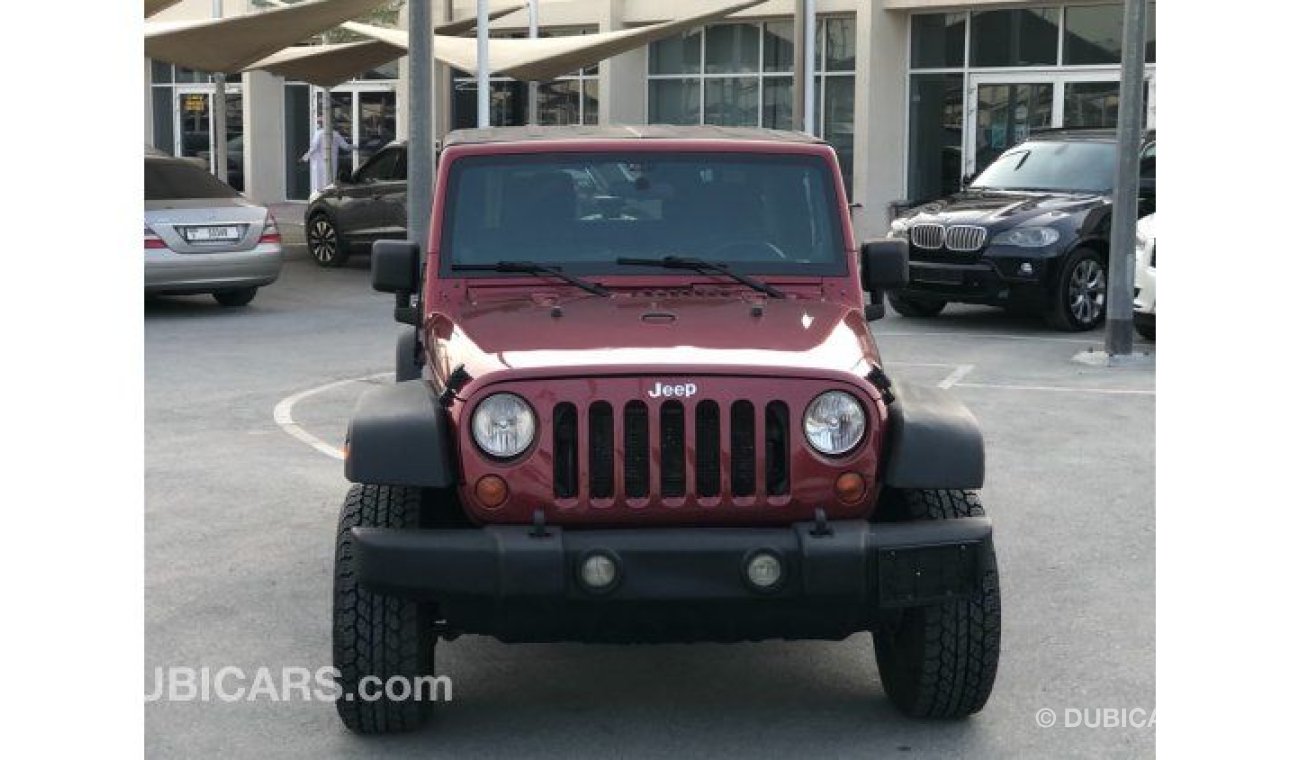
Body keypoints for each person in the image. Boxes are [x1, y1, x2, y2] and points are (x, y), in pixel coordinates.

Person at [301, 117, 353, 193]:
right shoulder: (335, 134)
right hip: (332, 163)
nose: (318, 124)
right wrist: (356, 146)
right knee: (330, 183)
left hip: (320, 163)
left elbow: (313, 148)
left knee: (319, 185)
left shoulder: (319, 133)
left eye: (319, 123)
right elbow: (346, 147)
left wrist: (304, 158)